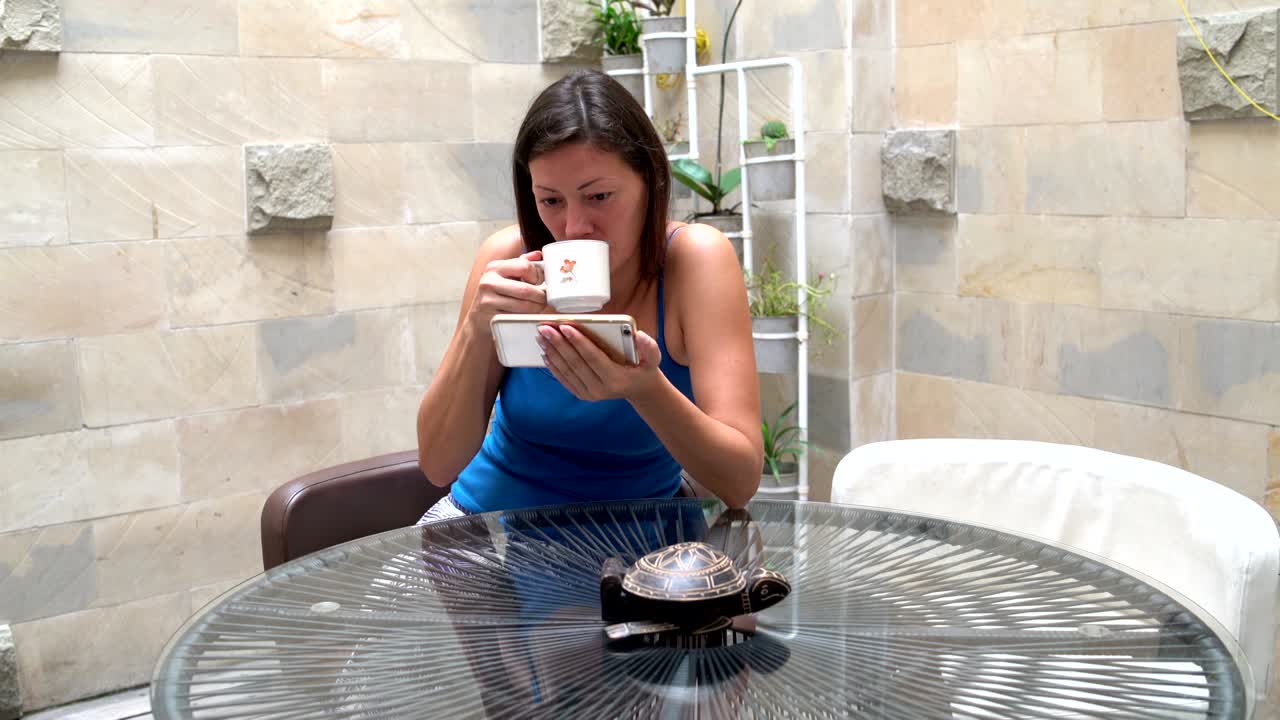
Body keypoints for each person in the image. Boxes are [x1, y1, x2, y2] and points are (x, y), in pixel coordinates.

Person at [415, 69, 761, 523]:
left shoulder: (694, 260)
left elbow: (738, 484)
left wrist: (647, 389)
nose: (574, 227)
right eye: (551, 201)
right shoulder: (509, 259)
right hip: (490, 531)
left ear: (650, 181)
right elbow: (438, 464)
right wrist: (476, 333)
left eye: (599, 196)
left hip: (645, 541)